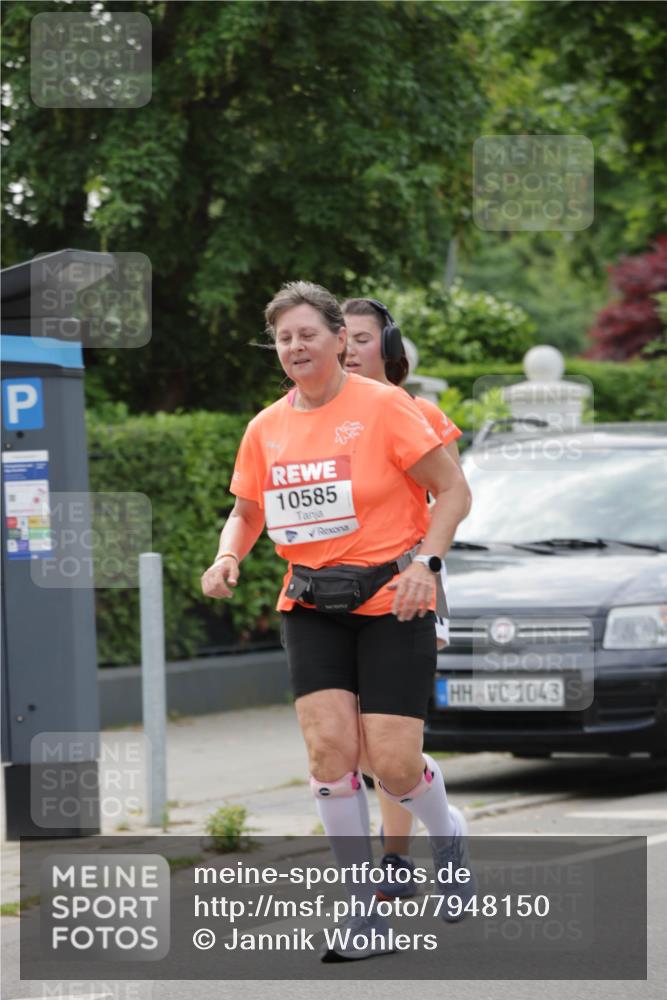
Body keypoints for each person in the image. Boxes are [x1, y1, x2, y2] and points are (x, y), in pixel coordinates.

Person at [201, 281, 473, 962]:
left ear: (336, 339)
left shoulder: (386, 407)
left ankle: (448, 835)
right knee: (328, 753)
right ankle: (361, 911)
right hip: (312, 603)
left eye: (307, 334)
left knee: (392, 762)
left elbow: (452, 491)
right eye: (283, 338)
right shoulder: (266, 427)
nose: (295, 346)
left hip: (394, 599)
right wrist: (227, 555)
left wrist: (426, 567)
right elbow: (248, 509)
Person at [342, 296, 464, 903]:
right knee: (357, 743)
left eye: (362, 339)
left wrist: (422, 565)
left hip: (409, 586)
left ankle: (395, 855)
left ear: (389, 349)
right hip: (341, 599)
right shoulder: (323, 416)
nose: (349, 350)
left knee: (389, 733)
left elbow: (451, 496)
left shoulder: (418, 412)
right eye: (344, 339)